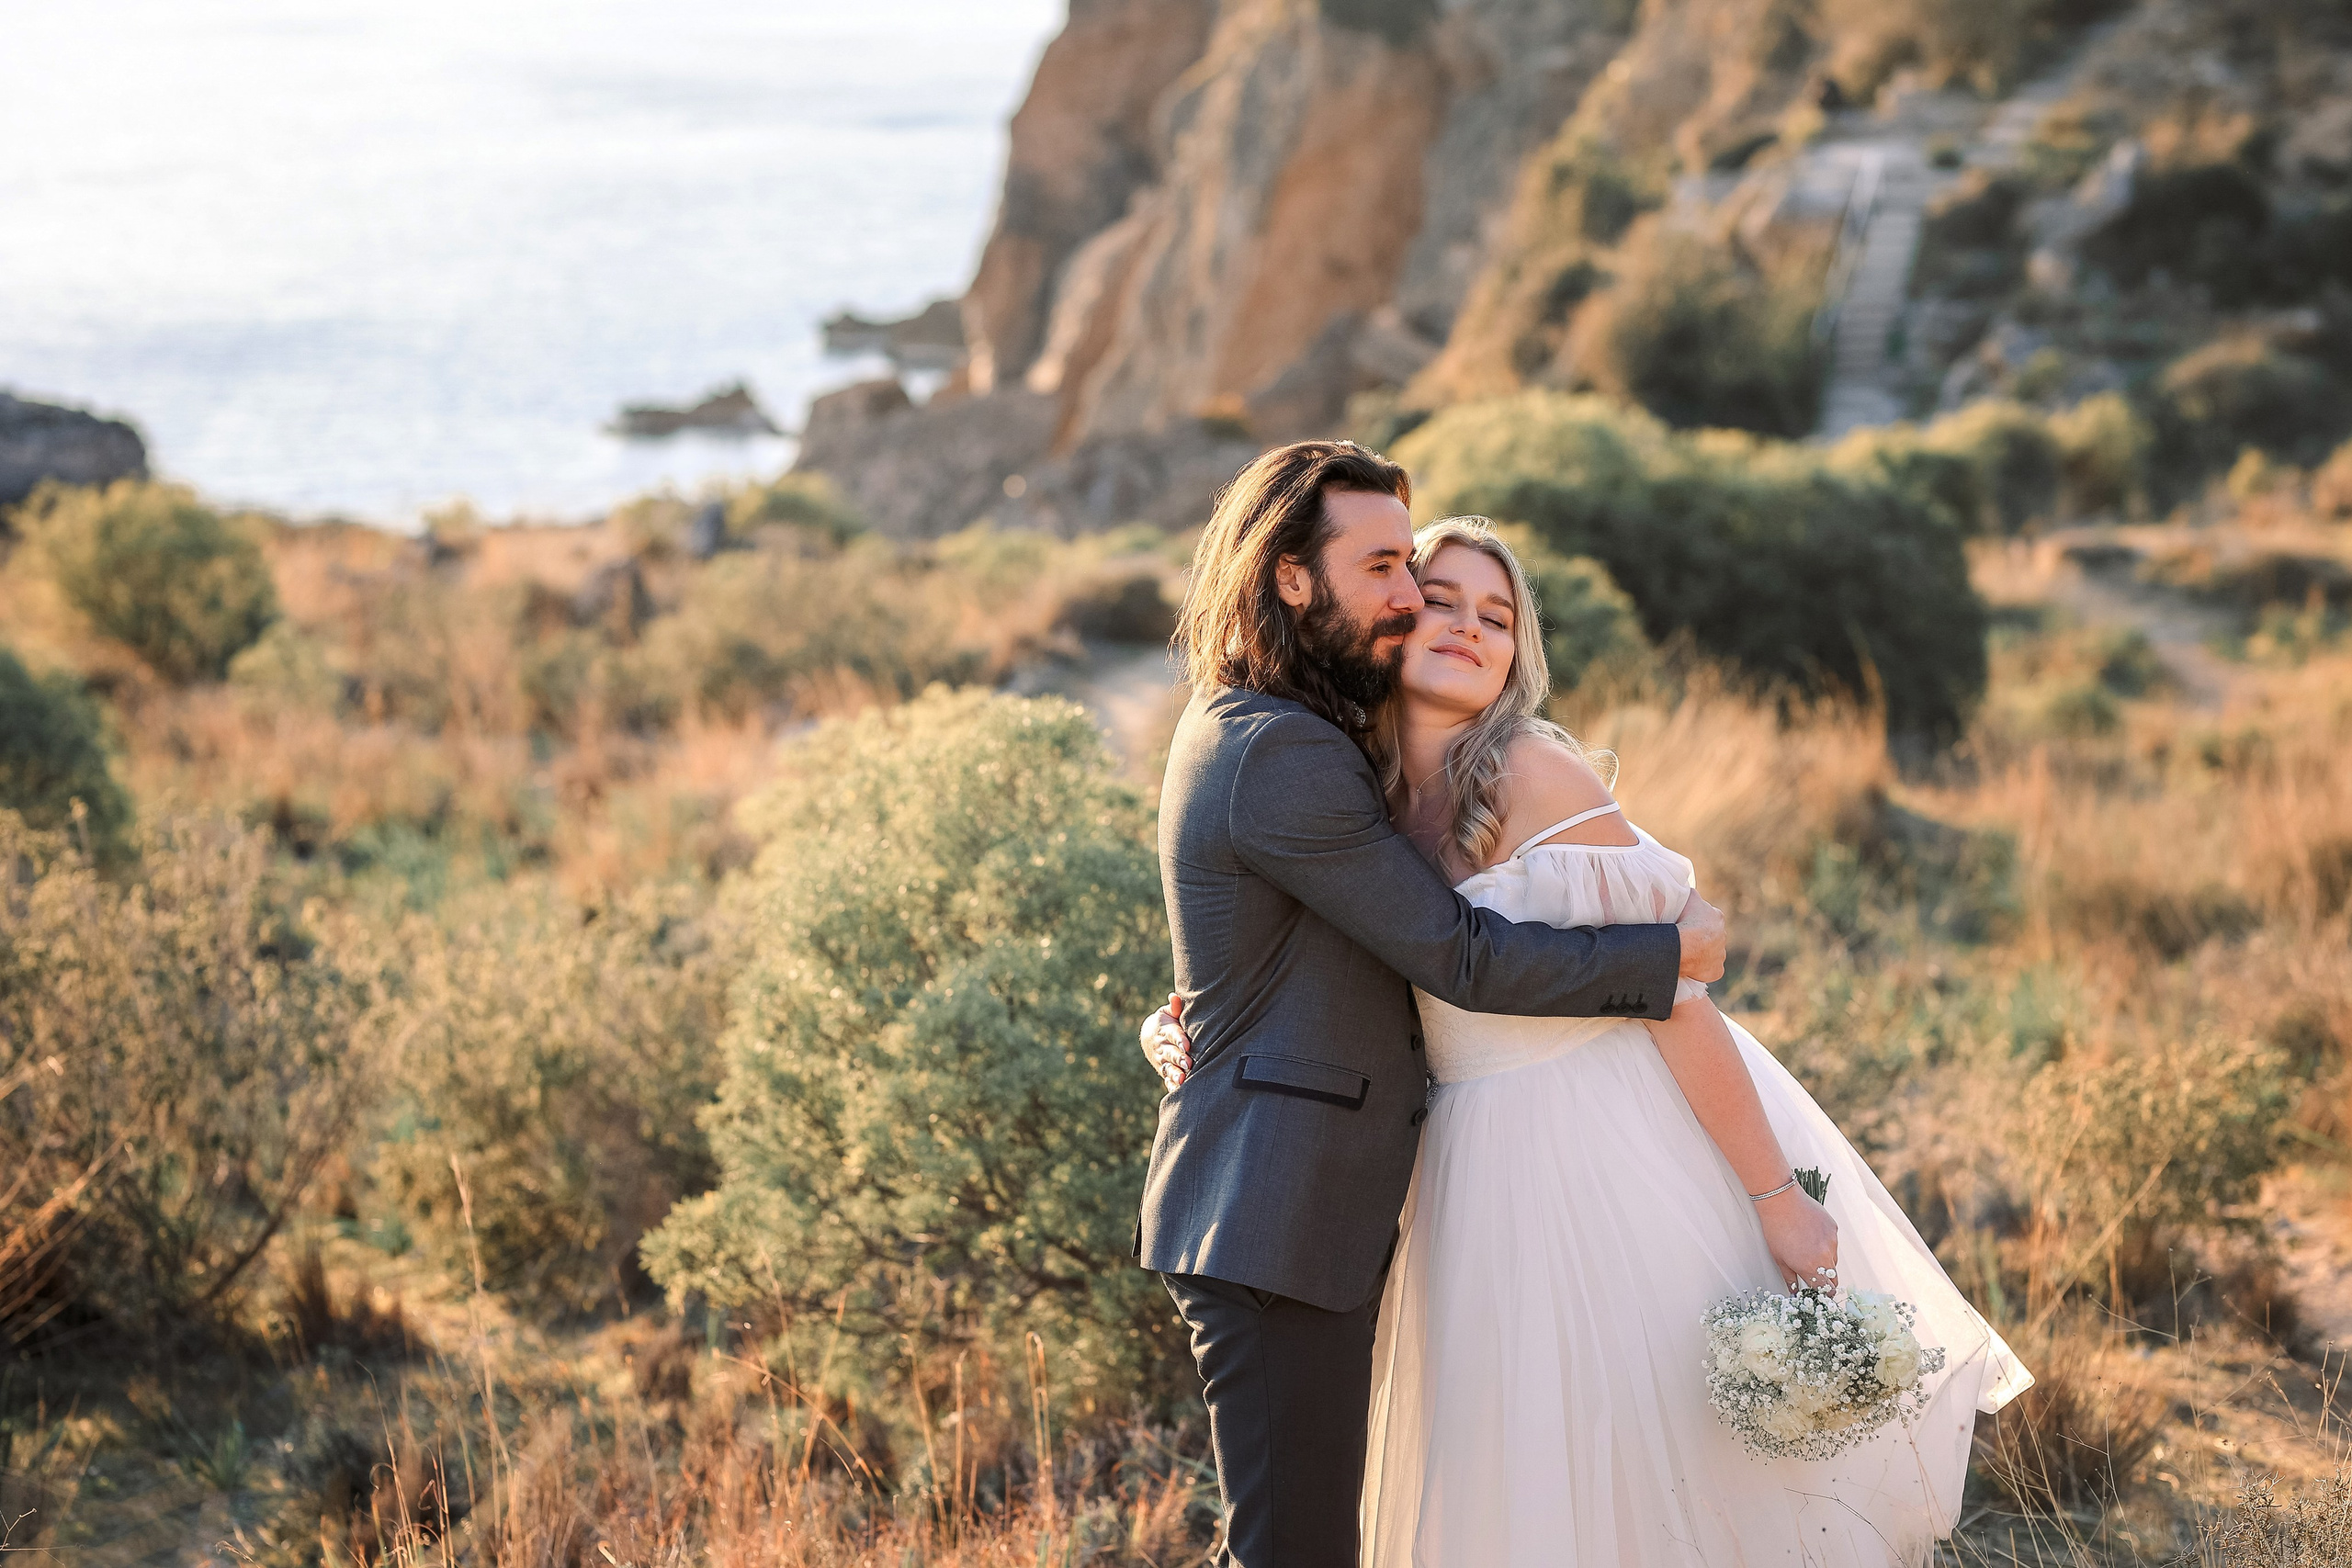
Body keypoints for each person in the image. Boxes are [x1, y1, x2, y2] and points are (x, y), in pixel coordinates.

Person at [1146, 516, 2033, 1566]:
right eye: (1441, 600)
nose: (1470, 629)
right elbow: (1314, 952)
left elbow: (1680, 1005)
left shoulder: (1537, 777)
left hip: (1595, 1153)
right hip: (1455, 1178)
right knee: (1504, 1477)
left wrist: (1775, 1201)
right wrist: (1186, 1014)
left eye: (1500, 618)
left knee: (1635, 1474)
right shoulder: (1355, 786)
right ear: (1388, 620)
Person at [1140, 442, 1729, 1568]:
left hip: (1299, 1205)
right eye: (1383, 570)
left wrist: (1185, 1017)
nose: (1409, 598)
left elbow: (1270, 948)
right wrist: (1667, 952)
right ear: (1291, 578)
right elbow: (1458, 956)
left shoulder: (1291, 730)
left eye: (1412, 568)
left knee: (1289, 1544)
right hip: (1273, 1210)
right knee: (1293, 1552)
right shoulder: (1281, 751)